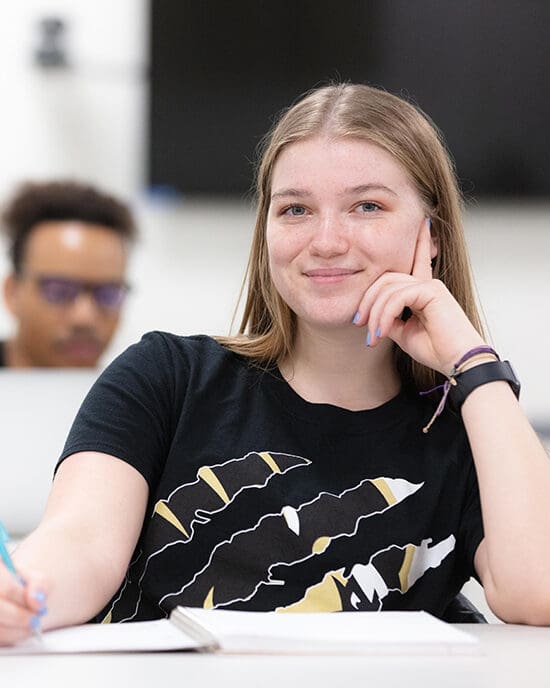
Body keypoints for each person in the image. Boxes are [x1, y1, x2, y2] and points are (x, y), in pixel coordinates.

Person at [2, 83, 550, 646]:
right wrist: (22, 590)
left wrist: (473, 364)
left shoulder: (471, 430)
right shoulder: (165, 376)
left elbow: (536, 590)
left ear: (431, 234)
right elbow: (80, 543)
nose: (327, 240)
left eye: (367, 206)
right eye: (295, 209)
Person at [0, 180, 137, 367]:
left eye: (108, 294)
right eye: (59, 291)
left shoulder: (139, 391)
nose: (84, 318)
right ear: (12, 293)